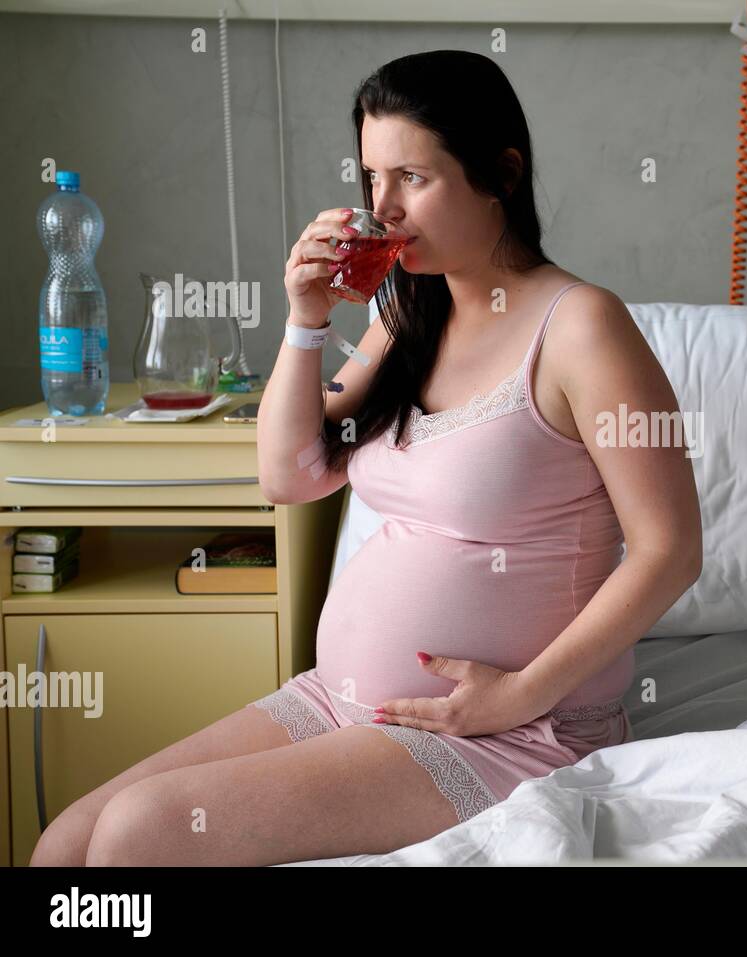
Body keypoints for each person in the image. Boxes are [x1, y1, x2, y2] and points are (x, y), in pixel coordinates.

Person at [31, 50, 701, 867]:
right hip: (340, 700)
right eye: (371, 177)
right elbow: (289, 476)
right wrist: (304, 319)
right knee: (65, 842)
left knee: (140, 834)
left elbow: (670, 548)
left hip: (509, 728)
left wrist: (520, 694)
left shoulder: (582, 327)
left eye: (412, 177)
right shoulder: (406, 309)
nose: (381, 208)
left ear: (502, 173)